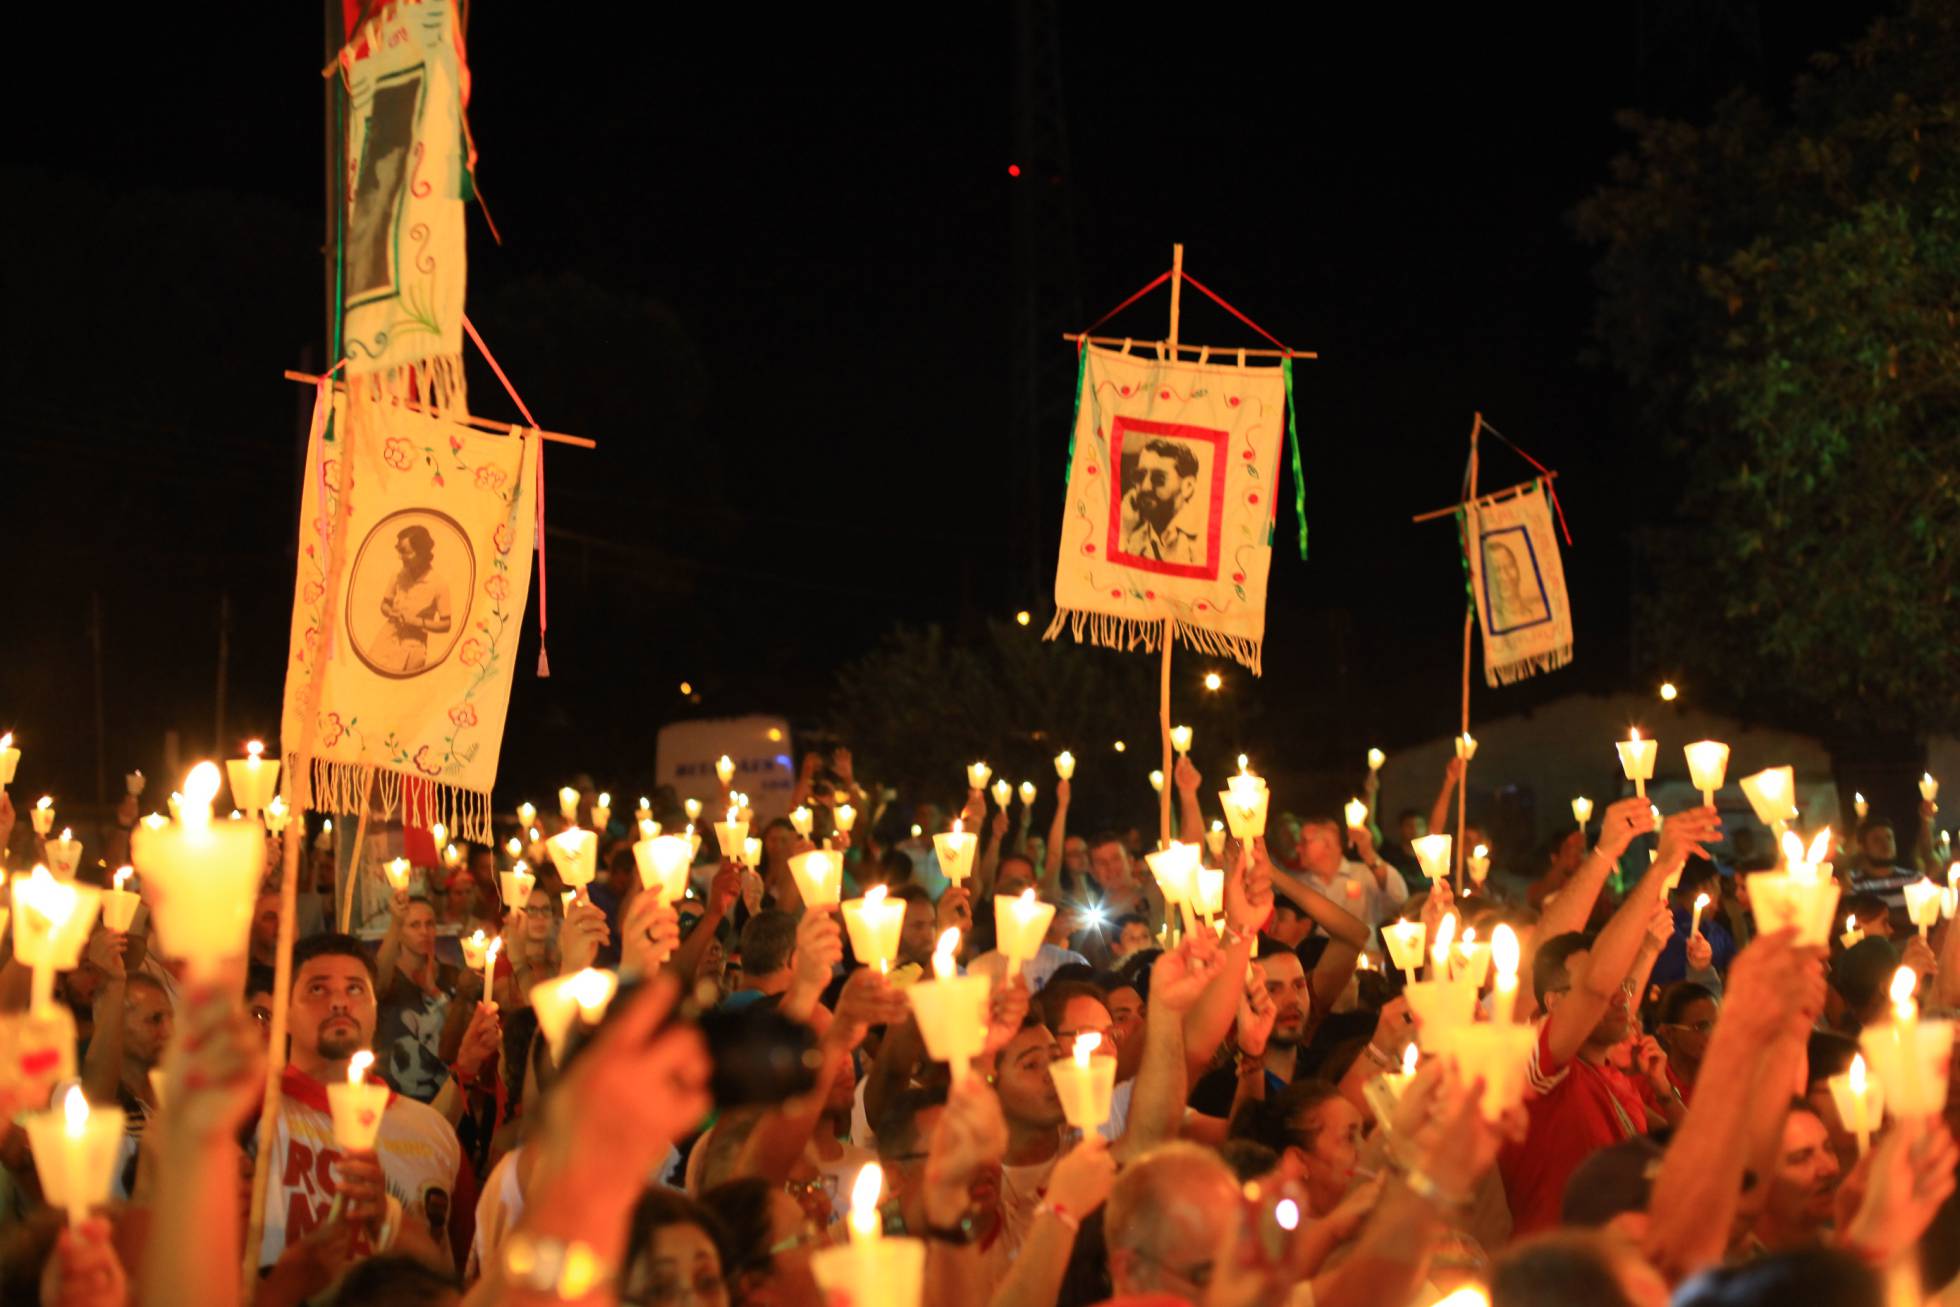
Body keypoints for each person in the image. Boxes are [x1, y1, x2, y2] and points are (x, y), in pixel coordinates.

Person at [258, 933, 463, 1271]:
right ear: (284, 1013)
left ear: (375, 1008)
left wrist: (390, 1222)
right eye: (317, 989)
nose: (339, 1002)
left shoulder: (432, 1131)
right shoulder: (254, 1118)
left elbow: (457, 1266)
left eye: (355, 989)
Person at [373, 892, 461, 1100]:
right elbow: (376, 983)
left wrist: (434, 992)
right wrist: (396, 921)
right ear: (400, 932)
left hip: (444, 1095)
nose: (424, 931)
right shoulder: (390, 979)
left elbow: (462, 1031)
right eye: (414, 925)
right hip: (397, 1098)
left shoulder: (450, 975)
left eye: (429, 924)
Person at [371, 524, 453, 674]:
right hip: (385, 640)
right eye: (399, 552)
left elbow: (446, 624)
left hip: (413, 649)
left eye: (405, 552)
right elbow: (384, 604)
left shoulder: (438, 584)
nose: (401, 557)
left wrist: (416, 622)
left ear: (422, 553)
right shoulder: (397, 575)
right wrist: (390, 613)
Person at [1120, 437, 1204, 564]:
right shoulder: (1134, 538)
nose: (1145, 487)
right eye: (1140, 476)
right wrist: (1123, 530)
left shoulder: (1202, 540)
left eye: (1159, 478)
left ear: (1187, 487)